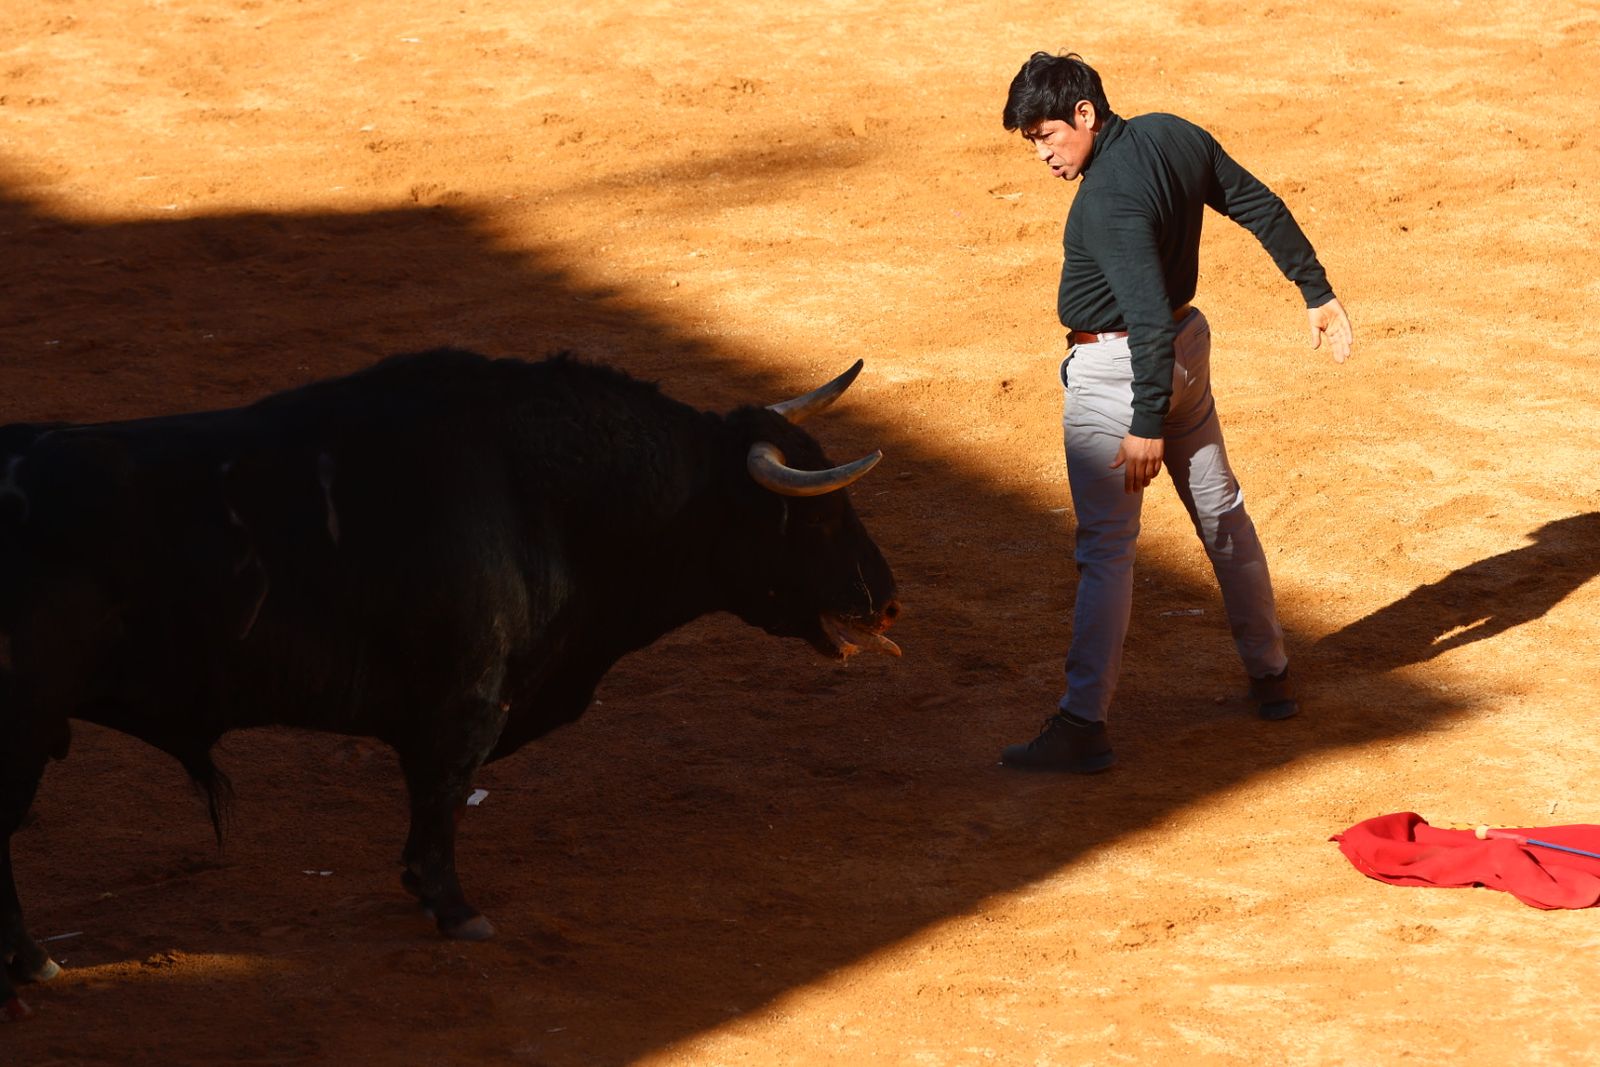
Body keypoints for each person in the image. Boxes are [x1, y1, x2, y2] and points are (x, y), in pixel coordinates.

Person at [998, 51, 1354, 772]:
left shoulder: (1105, 204)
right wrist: (1315, 289)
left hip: (1125, 376)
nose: (1043, 153)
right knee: (1223, 512)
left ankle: (1082, 722)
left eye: (1047, 136)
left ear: (1085, 115)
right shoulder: (1174, 134)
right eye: (1033, 141)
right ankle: (1271, 674)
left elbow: (1147, 324)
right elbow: (1258, 204)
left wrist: (1143, 423)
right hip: (1188, 356)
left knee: (1107, 551)